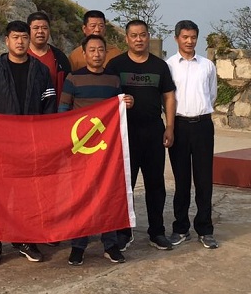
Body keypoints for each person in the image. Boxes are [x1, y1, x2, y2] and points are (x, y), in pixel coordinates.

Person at [0, 20, 56, 266]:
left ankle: (25, 240)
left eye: (24, 37)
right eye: (15, 37)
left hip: (31, 143)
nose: (20, 42)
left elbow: (49, 106)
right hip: (1, 144)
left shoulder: (41, 70)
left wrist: (44, 139)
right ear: (6, 41)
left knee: (28, 195)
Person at [58, 34, 131, 266]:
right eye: (92, 50)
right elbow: (63, 110)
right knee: (81, 196)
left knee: (107, 194)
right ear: (84, 53)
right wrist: (65, 143)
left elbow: (118, 110)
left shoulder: (113, 79)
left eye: (101, 50)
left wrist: (127, 103)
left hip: (107, 148)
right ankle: (78, 246)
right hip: (80, 148)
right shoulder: (73, 78)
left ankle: (110, 245)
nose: (97, 54)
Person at [107, 20, 176, 252]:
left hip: (153, 132)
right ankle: (123, 232)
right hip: (125, 134)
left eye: (143, 35)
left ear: (148, 37)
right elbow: (106, 97)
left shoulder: (159, 66)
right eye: (134, 35)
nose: (139, 39)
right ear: (126, 38)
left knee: (155, 185)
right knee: (124, 185)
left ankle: (157, 232)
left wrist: (170, 126)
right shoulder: (116, 65)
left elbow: (169, 96)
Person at [166, 20, 219, 249]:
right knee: (181, 181)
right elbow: (165, 97)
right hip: (178, 125)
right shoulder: (168, 66)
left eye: (193, 37)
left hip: (203, 126)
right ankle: (180, 228)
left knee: (204, 179)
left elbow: (212, 94)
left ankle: (205, 229)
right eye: (185, 37)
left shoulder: (207, 66)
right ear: (176, 38)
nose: (189, 41)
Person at [26, 10, 70, 104]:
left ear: (49, 31)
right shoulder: (20, 55)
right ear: (28, 31)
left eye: (44, 28)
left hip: (53, 110)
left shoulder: (60, 58)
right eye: (36, 28)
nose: (40, 31)